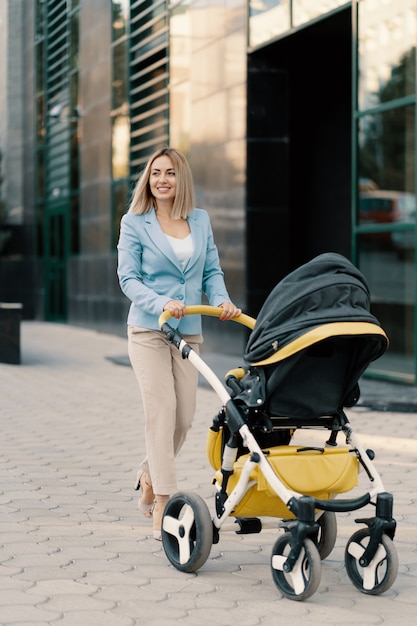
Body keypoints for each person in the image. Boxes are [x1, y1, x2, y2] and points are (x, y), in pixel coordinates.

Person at [117, 147, 241, 540]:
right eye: (156, 173)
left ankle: (150, 474)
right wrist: (161, 303)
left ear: (180, 178)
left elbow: (212, 269)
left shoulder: (200, 220)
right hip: (149, 329)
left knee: (185, 417)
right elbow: (128, 279)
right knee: (162, 409)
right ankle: (163, 503)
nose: (162, 180)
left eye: (170, 173)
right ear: (148, 179)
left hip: (187, 330)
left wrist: (221, 300)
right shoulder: (135, 222)